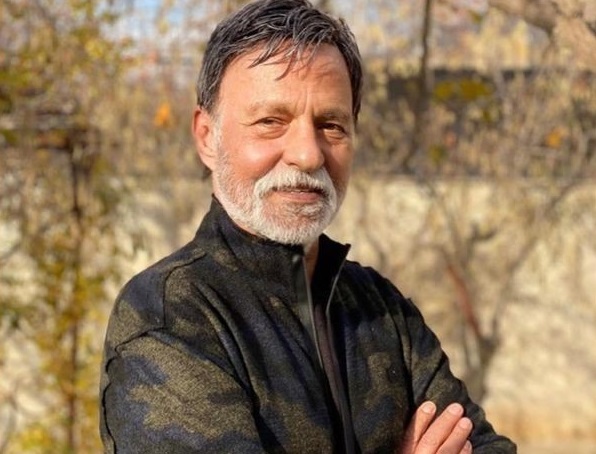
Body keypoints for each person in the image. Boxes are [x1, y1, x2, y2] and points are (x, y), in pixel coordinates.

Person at [99, 0, 517, 452]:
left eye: (331, 125)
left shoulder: (381, 309)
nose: (308, 154)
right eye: (271, 122)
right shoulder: (171, 317)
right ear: (207, 137)